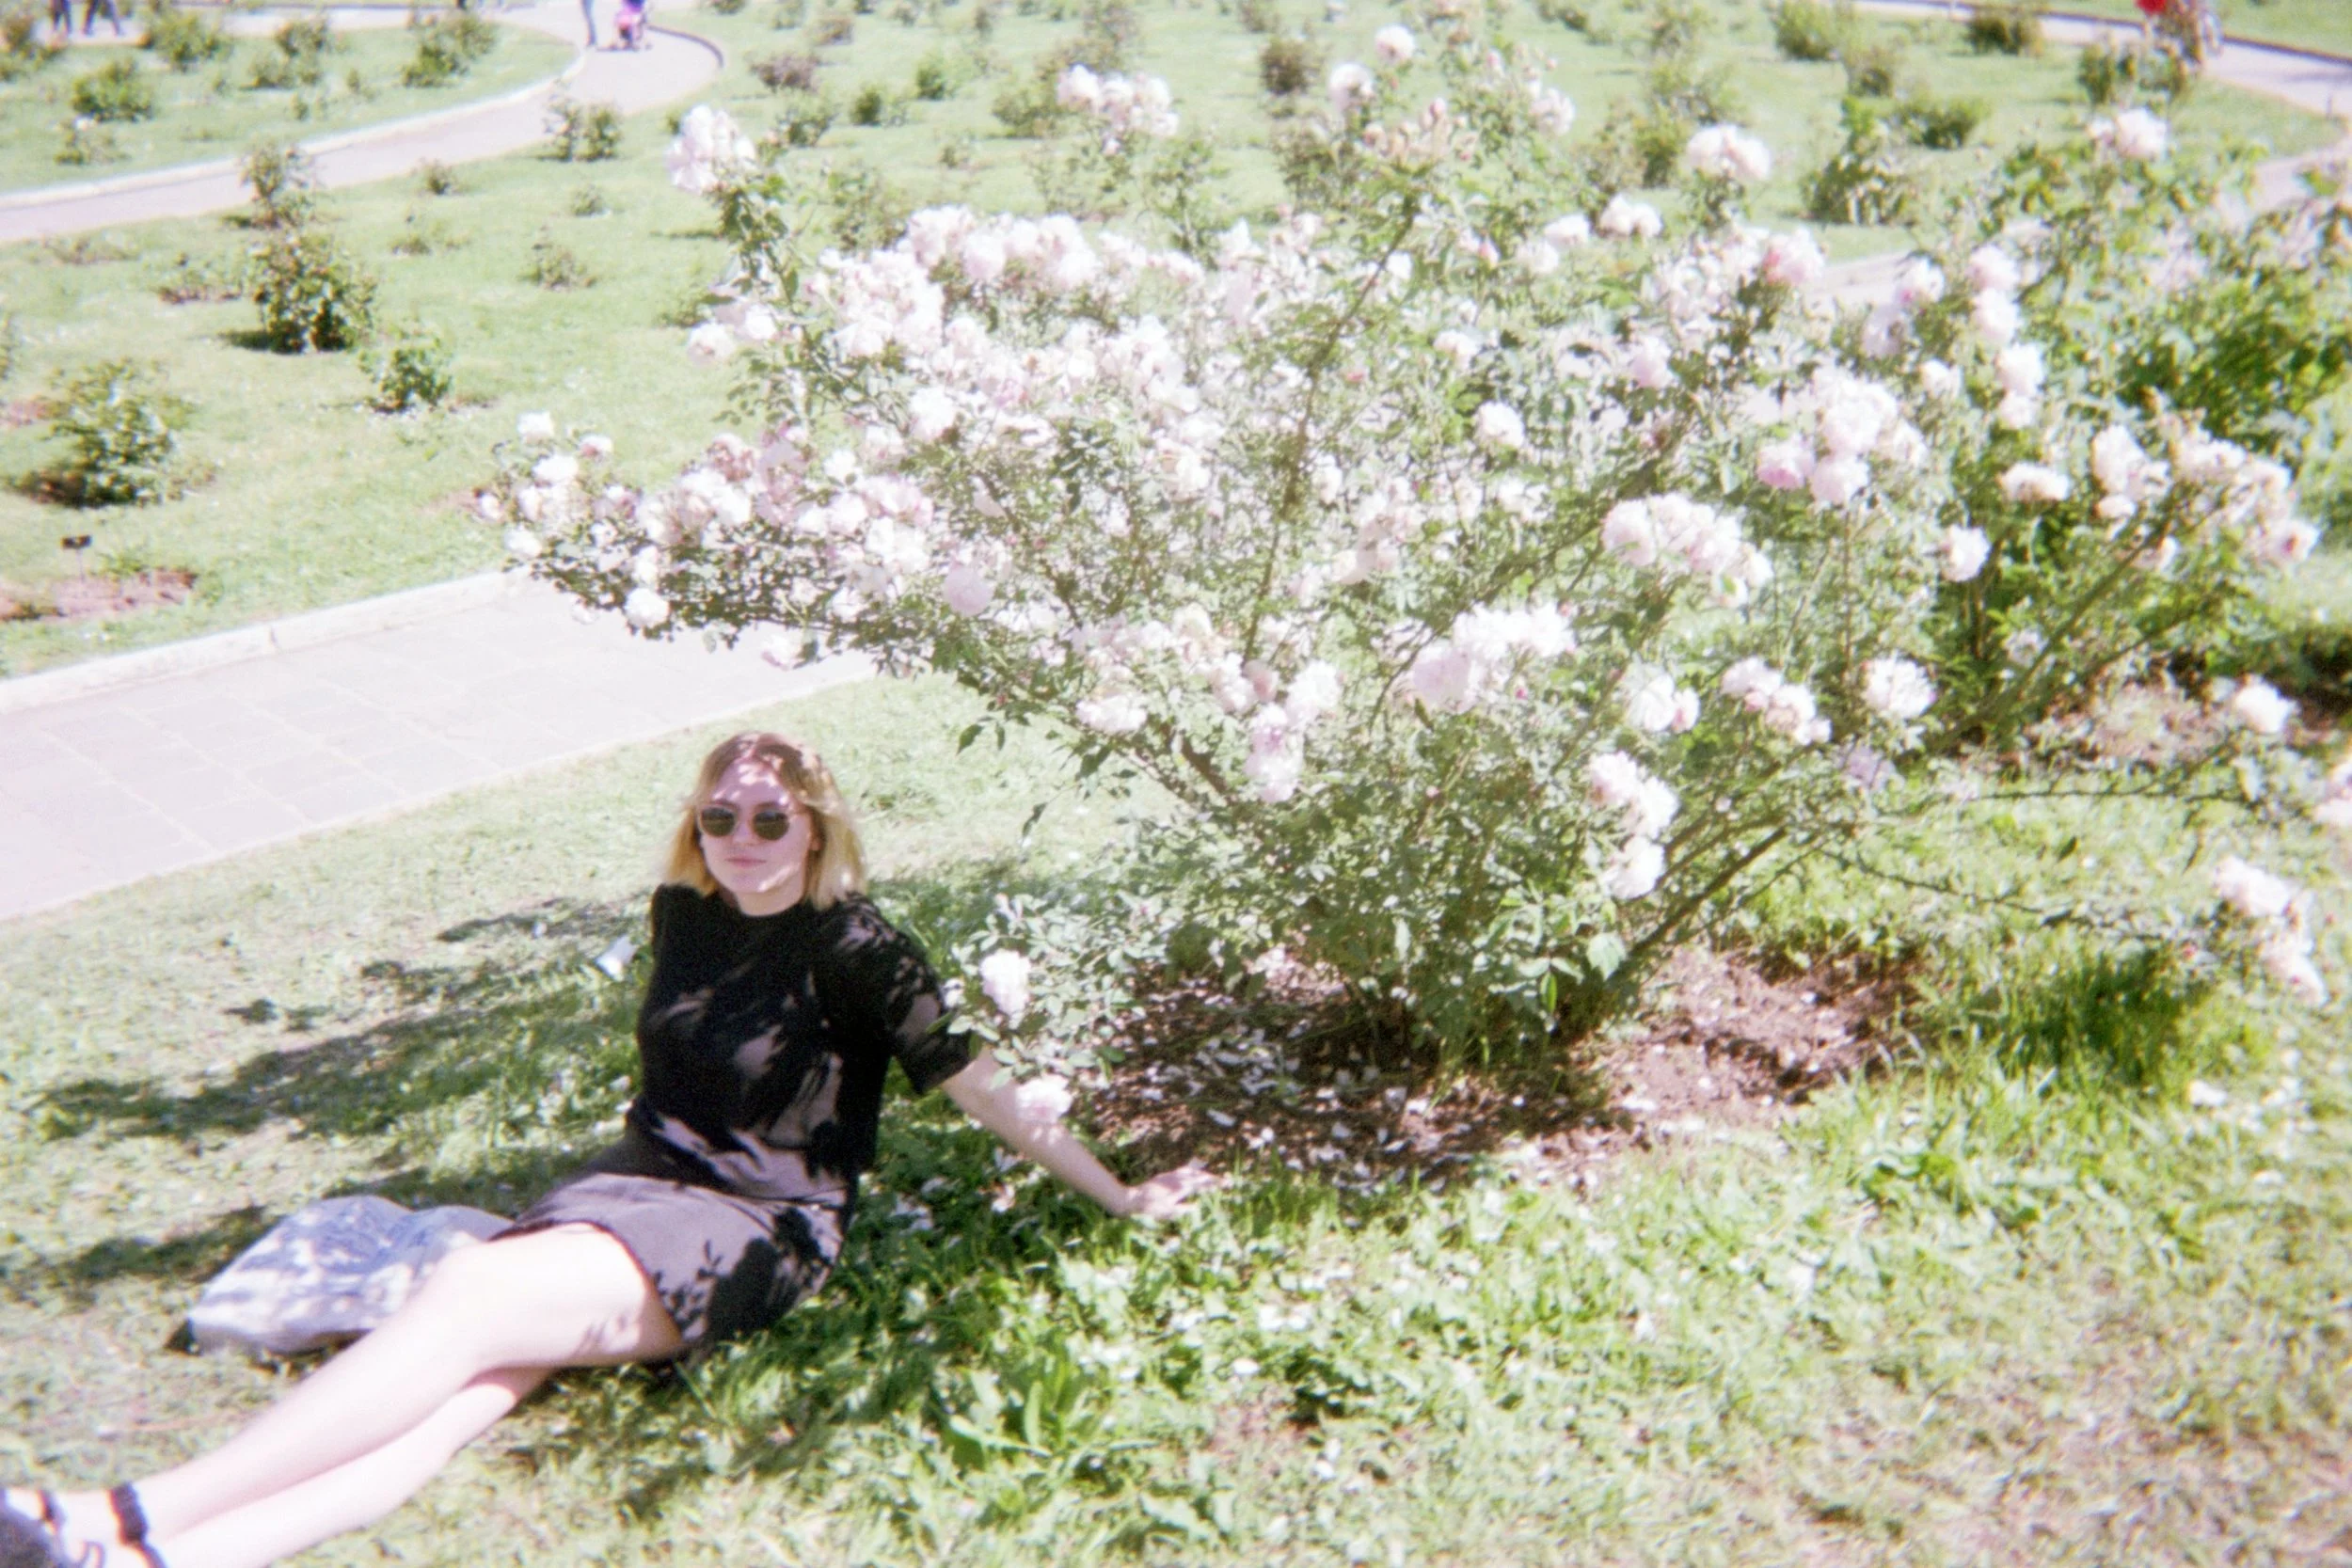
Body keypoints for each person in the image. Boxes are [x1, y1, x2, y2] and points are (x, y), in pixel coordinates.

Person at [0, 732, 1214, 1568]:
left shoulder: (864, 949)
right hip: (633, 1184)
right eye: (719, 815)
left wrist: (1119, 1195)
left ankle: (114, 1515)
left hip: (758, 1224)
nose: (743, 836)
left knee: (471, 1290)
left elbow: (982, 1087)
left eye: (770, 817)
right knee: (477, 1382)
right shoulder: (681, 914)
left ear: (816, 824)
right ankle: (184, 1554)